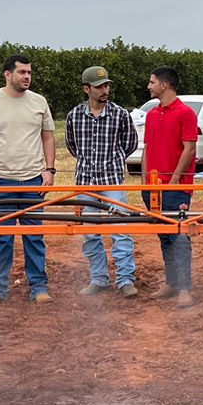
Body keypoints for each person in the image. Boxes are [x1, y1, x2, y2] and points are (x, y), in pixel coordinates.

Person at [0, 54, 56, 307]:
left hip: (33, 181)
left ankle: (39, 288)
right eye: (22, 72)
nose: (27, 77)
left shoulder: (39, 102)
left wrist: (49, 170)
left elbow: (48, 136)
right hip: (1, 181)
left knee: (34, 235)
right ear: (8, 74)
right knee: (2, 236)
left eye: (29, 72)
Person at [64, 65, 140, 299]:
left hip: (112, 180)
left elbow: (130, 144)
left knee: (119, 229)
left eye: (106, 85)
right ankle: (99, 279)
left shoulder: (120, 114)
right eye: (99, 87)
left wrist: (113, 162)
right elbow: (72, 146)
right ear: (87, 89)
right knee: (90, 232)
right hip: (86, 181)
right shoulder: (74, 116)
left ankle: (126, 279)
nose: (105, 90)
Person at [142, 65, 199, 307]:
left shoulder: (186, 113)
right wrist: (145, 181)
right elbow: (147, 148)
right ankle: (172, 283)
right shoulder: (152, 115)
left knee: (180, 237)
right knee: (165, 236)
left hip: (176, 189)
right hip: (152, 189)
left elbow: (190, 148)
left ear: (164, 85)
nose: (149, 86)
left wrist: (174, 180)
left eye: (152, 82)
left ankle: (185, 288)